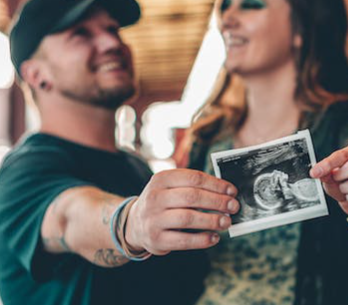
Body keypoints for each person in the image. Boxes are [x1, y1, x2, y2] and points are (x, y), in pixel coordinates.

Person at [188, 0, 348, 304]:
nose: (227, 19)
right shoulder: (208, 136)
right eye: (224, 6)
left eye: (251, 5)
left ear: (301, 30)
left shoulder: (340, 124)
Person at [0, 0, 241, 304]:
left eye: (112, 29)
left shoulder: (136, 167)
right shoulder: (23, 172)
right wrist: (133, 223)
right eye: (81, 34)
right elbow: (69, 217)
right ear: (37, 75)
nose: (112, 42)